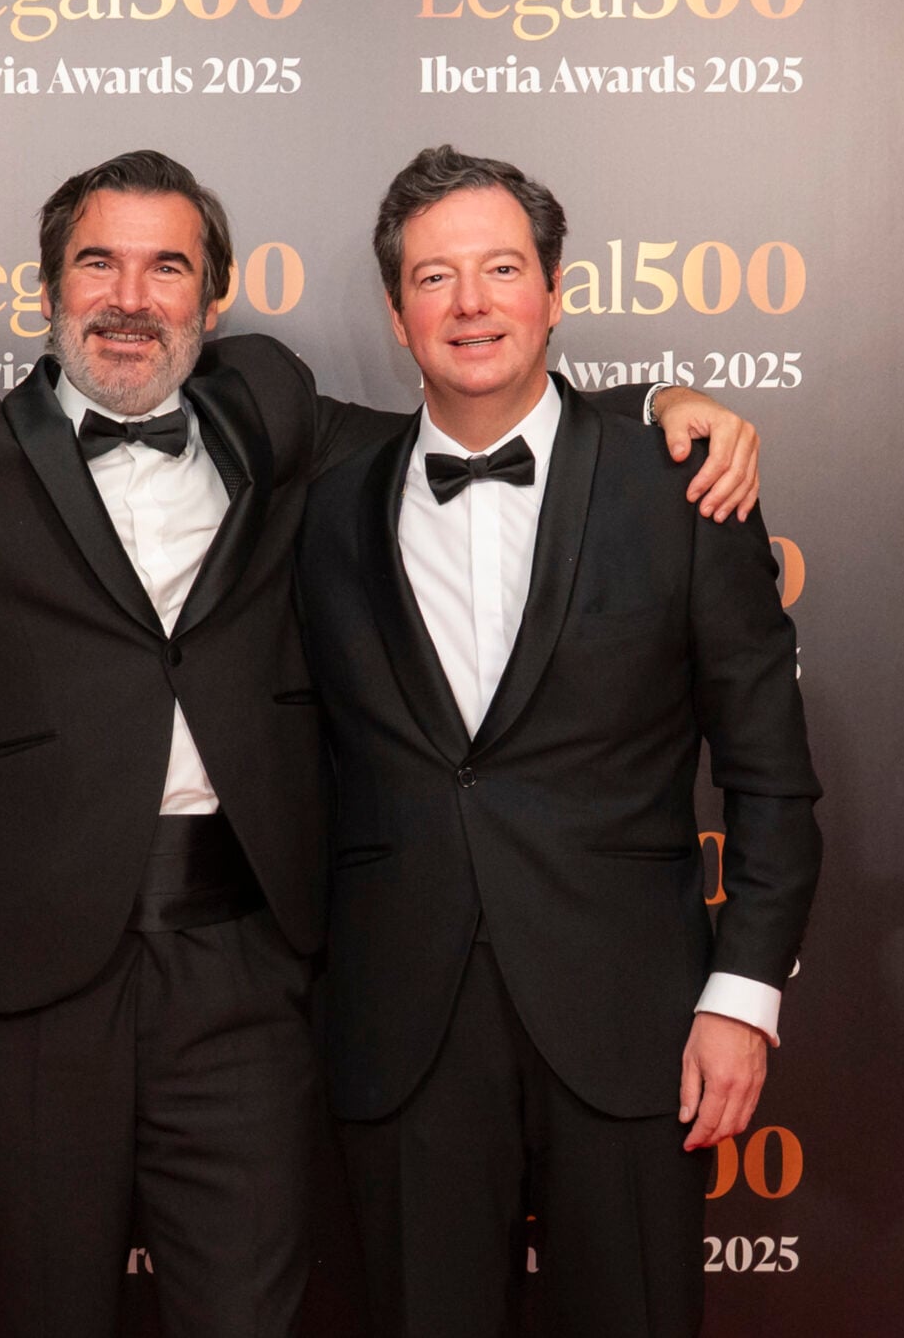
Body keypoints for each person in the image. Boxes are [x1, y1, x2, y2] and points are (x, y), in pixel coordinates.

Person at [0, 150, 761, 1338]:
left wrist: (656, 408)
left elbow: (474, 412)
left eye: (167, 267)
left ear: (214, 297)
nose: (130, 297)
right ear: (49, 288)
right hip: (22, 986)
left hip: (245, 976)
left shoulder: (272, 415)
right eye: (98, 263)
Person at [297, 146, 822, 1338]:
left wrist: (743, 997)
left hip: (637, 1022)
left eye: (500, 268)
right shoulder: (325, 502)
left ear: (554, 291)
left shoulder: (681, 484)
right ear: (395, 312)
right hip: (400, 1029)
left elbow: (772, 780)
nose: (469, 303)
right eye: (433, 276)